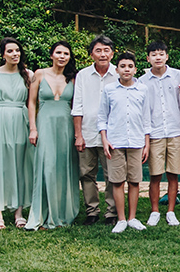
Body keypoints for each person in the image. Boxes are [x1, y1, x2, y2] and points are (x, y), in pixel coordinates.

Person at [25, 41, 82, 230]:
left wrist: (78, 133)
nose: (62, 56)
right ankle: (41, 213)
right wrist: (33, 128)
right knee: (46, 166)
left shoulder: (73, 78)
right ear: (52, 55)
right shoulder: (39, 74)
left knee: (64, 167)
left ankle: (62, 213)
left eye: (66, 53)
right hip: (45, 124)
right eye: (58, 52)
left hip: (66, 126)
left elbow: (77, 106)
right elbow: (32, 103)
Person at [0, 38, 34, 230]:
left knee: (20, 166)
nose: (14, 54)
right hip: (0, 120)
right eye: (10, 51)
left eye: (17, 50)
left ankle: (19, 212)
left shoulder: (28, 74)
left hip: (21, 120)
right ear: (3, 54)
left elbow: (32, 103)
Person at [99, 52, 152, 233]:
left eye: (130, 66)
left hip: (137, 141)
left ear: (135, 69)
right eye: (123, 66)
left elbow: (146, 118)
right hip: (115, 141)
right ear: (117, 69)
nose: (126, 69)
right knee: (117, 181)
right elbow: (102, 116)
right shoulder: (109, 90)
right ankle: (121, 219)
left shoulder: (143, 89)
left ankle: (132, 218)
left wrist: (147, 143)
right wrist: (104, 140)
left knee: (135, 180)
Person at [71, 35, 119, 226]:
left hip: (112, 135)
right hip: (88, 132)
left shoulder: (120, 73)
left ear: (112, 53)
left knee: (111, 175)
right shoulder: (83, 75)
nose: (102, 54)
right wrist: (78, 135)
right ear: (91, 54)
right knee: (87, 173)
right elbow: (78, 106)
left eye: (106, 50)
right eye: (98, 50)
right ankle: (92, 211)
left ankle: (111, 212)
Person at [138, 40, 180, 226]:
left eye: (161, 53)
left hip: (175, 131)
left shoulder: (177, 75)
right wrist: (146, 137)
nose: (158, 57)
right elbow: (143, 111)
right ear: (148, 58)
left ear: (167, 56)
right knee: (155, 175)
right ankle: (155, 211)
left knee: (173, 173)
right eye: (154, 54)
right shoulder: (142, 81)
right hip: (155, 132)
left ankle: (171, 211)